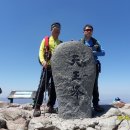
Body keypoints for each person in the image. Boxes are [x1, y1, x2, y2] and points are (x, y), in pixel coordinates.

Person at [33, 22, 62, 117]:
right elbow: (41, 51)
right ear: (51, 30)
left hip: (56, 68)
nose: (56, 31)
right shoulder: (46, 40)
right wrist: (42, 61)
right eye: (54, 29)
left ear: (59, 31)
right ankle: (37, 107)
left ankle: (50, 106)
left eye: (58, 30)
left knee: (54, 88)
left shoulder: (61, 43)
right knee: (42, 86)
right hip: (47, 66)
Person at [81, 24, 105, 112]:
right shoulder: (80, 42)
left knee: (94, 85)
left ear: (92, 31)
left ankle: (95, 105)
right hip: (82, 67)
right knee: (83, 85)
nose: (89, 31)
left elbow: (103, 52)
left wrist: (94, 53)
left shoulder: (96, 42)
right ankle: (83, 105)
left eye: (90, 30)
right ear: (83, 31)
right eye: (87, 30)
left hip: (94, 66)